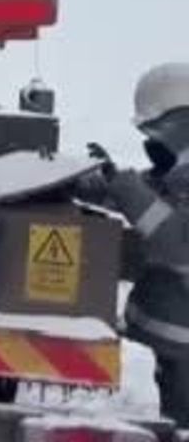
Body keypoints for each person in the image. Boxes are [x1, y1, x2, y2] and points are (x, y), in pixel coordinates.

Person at [79, 62, 189, 431]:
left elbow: (177, 244)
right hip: (164, 341)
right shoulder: (179, 171)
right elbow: (153, 198)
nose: (152, 140)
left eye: (155, 130)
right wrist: (96, 181)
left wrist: (124, 187)